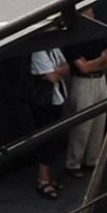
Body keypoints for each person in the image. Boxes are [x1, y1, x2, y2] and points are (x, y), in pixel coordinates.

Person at [63, 12, 107, 180]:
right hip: (83, 82)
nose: (93, 17)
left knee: (99, 122)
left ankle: (92, 160)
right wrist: (100, 62)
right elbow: (83, 68)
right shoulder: (72, 39)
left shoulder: (98, 34)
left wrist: (94, 63)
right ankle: (73, 163)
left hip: (100, 80)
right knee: (82, 126)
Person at [27, 35, 70, 198]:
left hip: (55, 99)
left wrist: (56, 72)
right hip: (43, 103)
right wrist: (57, 72)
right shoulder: (38, 53)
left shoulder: (52, 49)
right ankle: (43, 180)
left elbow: (65, 68)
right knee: (45, 140)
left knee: (53, 139)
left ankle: (48, 178)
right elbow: (54, 76)